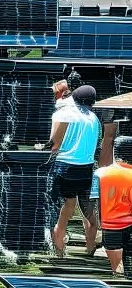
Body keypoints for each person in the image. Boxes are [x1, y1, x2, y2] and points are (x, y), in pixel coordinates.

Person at [49, 84, 101, 256]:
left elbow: (54, 144)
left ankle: (58, 246)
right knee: (86, 210)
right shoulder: (94, 118)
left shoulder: (63, 114)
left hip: (64, 165)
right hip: (86, 168)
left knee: (62, 207)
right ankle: (90, 247)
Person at [96, 136, 132, 275]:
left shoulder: (99, 173)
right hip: (129, 228)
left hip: (108, 228)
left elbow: (92, 203)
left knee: (117, 270)